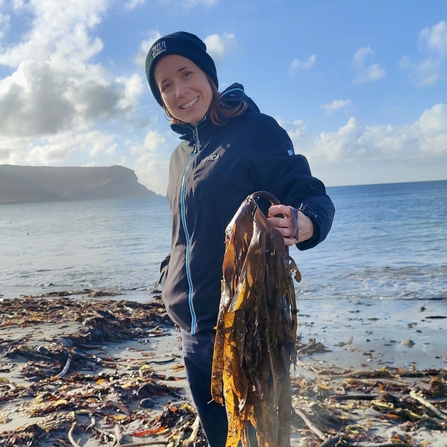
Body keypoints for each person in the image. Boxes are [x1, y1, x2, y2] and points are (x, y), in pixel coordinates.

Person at [145, 31, 335, 447]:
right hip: (191, 333)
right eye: (165, 86)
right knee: (219, 440)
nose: (180, 91)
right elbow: (183, 236)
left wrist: (308, 222)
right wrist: (168, 280)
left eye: (186, 73)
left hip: (245, 329)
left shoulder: (254, 131)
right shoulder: (179, 159)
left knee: (260, 439)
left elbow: (310, 192)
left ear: (209, 77)